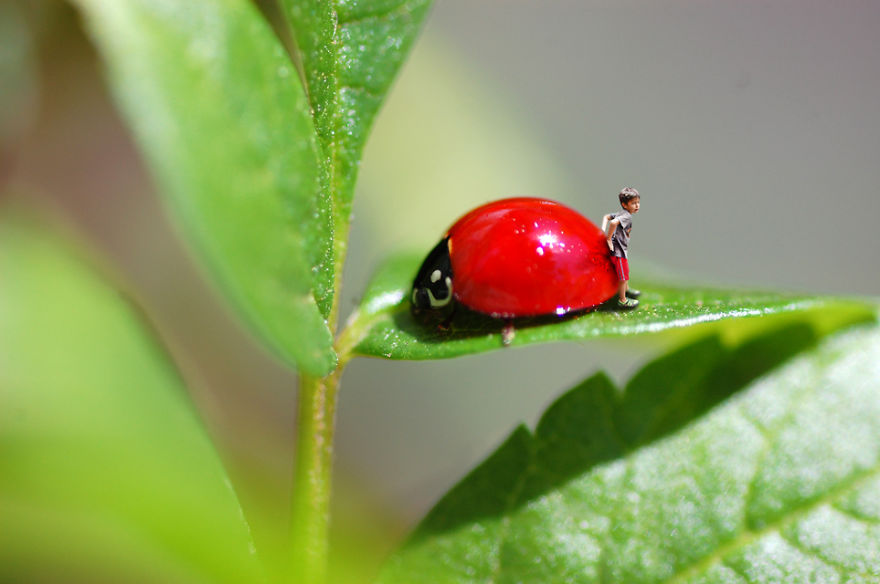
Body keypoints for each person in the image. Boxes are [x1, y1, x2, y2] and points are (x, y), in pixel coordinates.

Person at [601, 187, 641, 309]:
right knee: (623, 277)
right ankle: (623, 299)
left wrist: (602, 230)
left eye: (638, 202)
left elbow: (607, 217)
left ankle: (626, 290)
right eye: (633, 203)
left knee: (624, 273)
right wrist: (608, 238)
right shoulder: (626, 216)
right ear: (624, 204)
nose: (637, 206)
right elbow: (613, 223)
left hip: (619, 250)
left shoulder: (622, 213)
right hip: (619, 252)